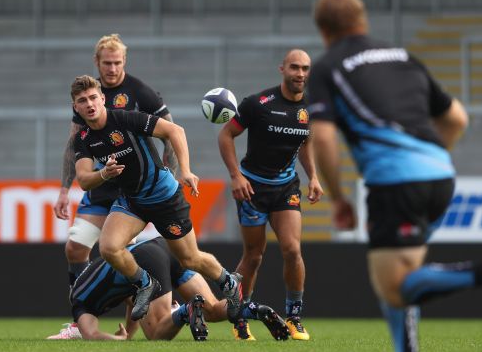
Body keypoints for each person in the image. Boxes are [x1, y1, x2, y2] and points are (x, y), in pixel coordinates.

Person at [309, 0, 482, 352]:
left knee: (394, 285)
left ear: (324, 31)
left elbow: (323, 137)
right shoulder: (403, 56)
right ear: (363, 21)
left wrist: (340, 198)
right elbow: (456, 118)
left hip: (396, 183)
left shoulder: (329, 66)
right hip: (441, 177)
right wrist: (430, 158)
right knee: (400, 277)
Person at [71, 75, 243, 322]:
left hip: (164, 197)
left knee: (190, 258)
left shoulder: (126, 118)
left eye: (93, 98)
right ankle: (144, 283)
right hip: (132, 201)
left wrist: (185, 170)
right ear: (75, 107)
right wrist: (104, 173)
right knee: (109, 248)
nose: (89, 104)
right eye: (82, 100)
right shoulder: (84, 139)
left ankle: (228, 281)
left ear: (102, 99)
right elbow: (84, 179)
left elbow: (175, 130)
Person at [53, 34, 178, 286]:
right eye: (107, 63)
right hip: (102, 185)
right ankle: (81, 318)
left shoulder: (141, 93)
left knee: (129, 256)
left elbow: (171, 134)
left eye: (117, 63)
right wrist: (65, 189)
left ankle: (148, 308)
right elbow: (73, 145)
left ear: (124, 62)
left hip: (133, 189)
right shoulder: (87, 95)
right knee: (75, 247)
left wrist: (171, 176)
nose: (112, 69)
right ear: (96, 62)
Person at [218, 49, 323, 341]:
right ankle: (240, 319)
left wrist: (313, 176)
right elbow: (226, 135)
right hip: (252, 188)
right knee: (253, 256)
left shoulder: (310, 109)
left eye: (305, 68)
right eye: (294, 68)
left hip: (286, 187)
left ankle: (294, 317)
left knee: (292, 250)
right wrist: (235, 176)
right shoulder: (258, 103)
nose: (300, 74)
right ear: (282, 69)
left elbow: (305, 144)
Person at [46, 237, 289, 341]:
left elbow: (92, 334)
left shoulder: (80, 302)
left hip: (144, 259)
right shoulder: (92, 278)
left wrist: (118, 340)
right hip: (160, 245)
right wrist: (129, 334)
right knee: (213, 309)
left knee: (156, 332)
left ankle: (185, 311)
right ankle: (252, 310)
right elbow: (133, 301)